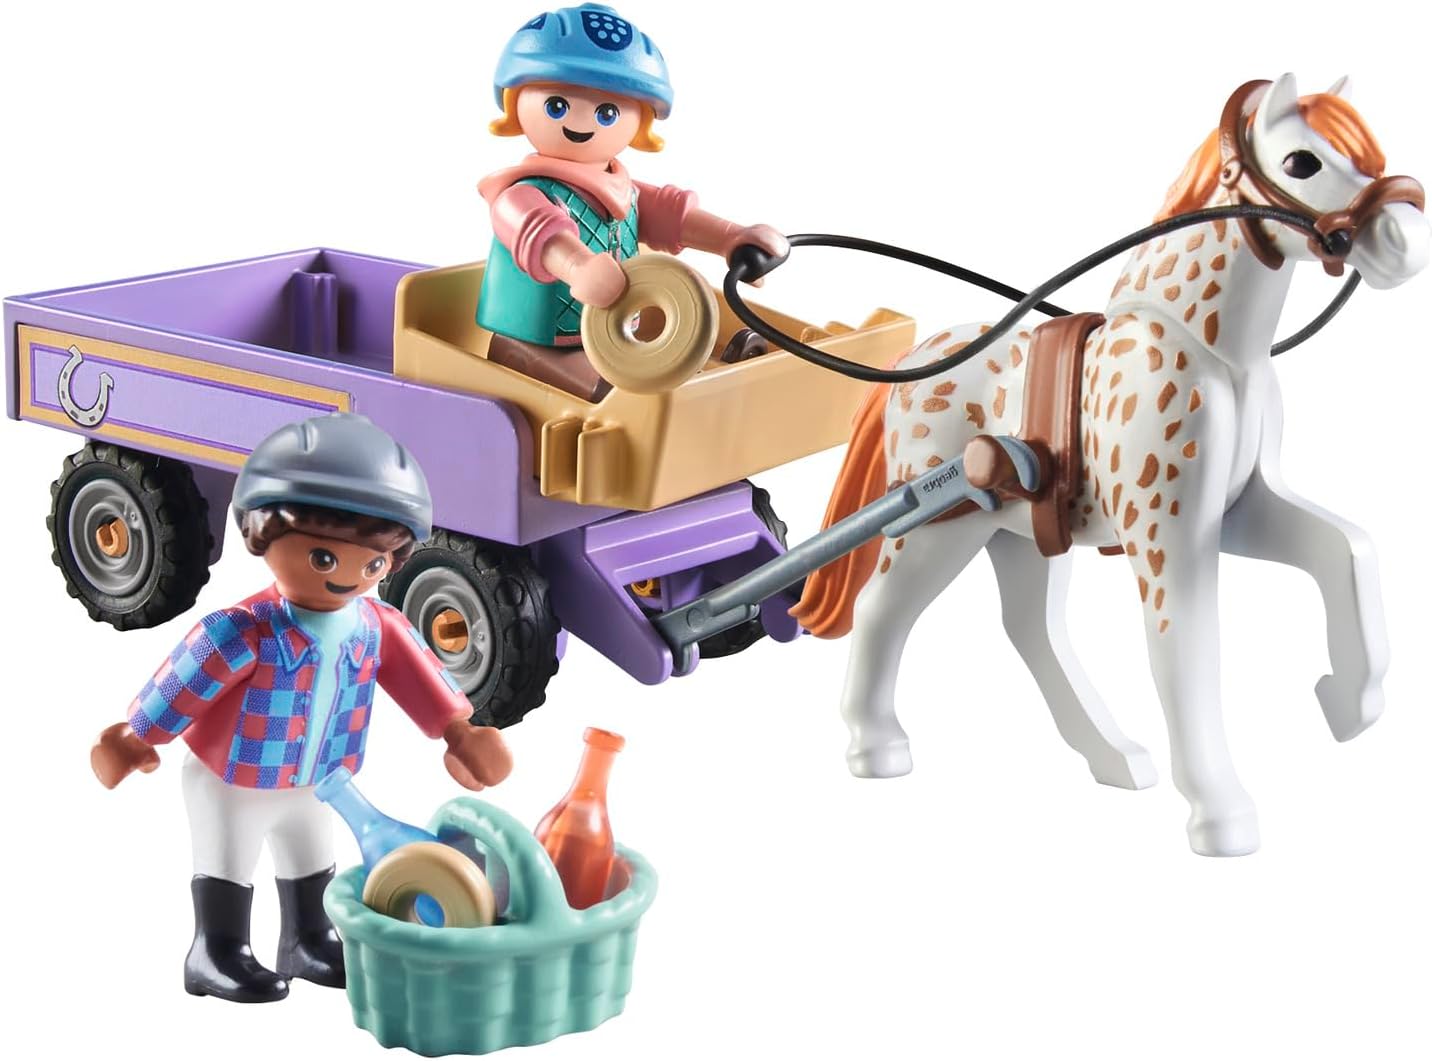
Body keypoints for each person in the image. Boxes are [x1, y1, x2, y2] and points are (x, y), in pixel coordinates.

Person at [90, 413, 513, 1003]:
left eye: (373, 563)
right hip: (233, 778)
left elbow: (421, 678)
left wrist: (459, 732)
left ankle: (307, 939)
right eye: (323, 558)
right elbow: (187, 679)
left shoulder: (377, 625)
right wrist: (137, 736)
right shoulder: (246, 630)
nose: (350, 577)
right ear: (262, 533)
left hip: (318, 776)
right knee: (229, 859)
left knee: (312, 857)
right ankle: (216, 950)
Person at [477, 4, 788, 399]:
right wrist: (577, 266)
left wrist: (732, 237)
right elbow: (541, 234)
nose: (581, 122)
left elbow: (676, 218)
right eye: (557, 105)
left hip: (613, 334)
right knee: (614, 392)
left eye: (607, 112)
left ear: (640, 121)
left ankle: (713, 372)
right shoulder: (518, 194)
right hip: (534, 343)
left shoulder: (623, 189)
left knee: (656, 363)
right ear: (515, 104)